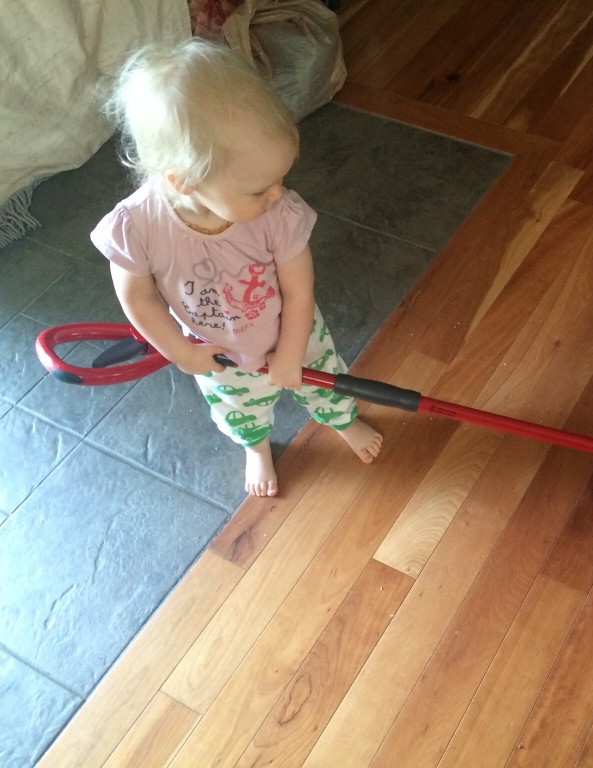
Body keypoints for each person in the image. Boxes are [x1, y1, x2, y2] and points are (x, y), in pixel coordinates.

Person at [91, 38, 382, 497]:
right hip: (217, 349)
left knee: (326, 379)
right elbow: (137, 297)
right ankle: (257, 446)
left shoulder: (276, 215)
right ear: (184, 180)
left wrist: (289, 352)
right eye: (259, 188)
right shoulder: (137, 227)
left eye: (281, 179)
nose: (278, 195)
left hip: (293, 329)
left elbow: (299, 291)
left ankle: (342, 421)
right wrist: (180, 353)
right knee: (238, 407)